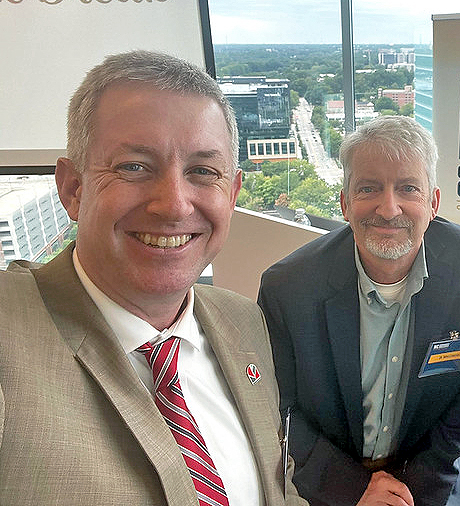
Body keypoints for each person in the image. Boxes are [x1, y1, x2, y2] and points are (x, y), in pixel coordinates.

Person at [0, 50, 306, 506]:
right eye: (134, 167)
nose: (175, 205)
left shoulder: (244, 321)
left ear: (233, 192)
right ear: (72, 188)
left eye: (202, 171)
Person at [258, 115, 460, 506]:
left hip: (441, 463)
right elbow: (278, 406)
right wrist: (353, 487)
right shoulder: (288, 287)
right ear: (344, 203)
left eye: (408, 188)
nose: (389, 209)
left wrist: (413, 485)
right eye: (369, 188)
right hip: (328, 470)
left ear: (434, 202)